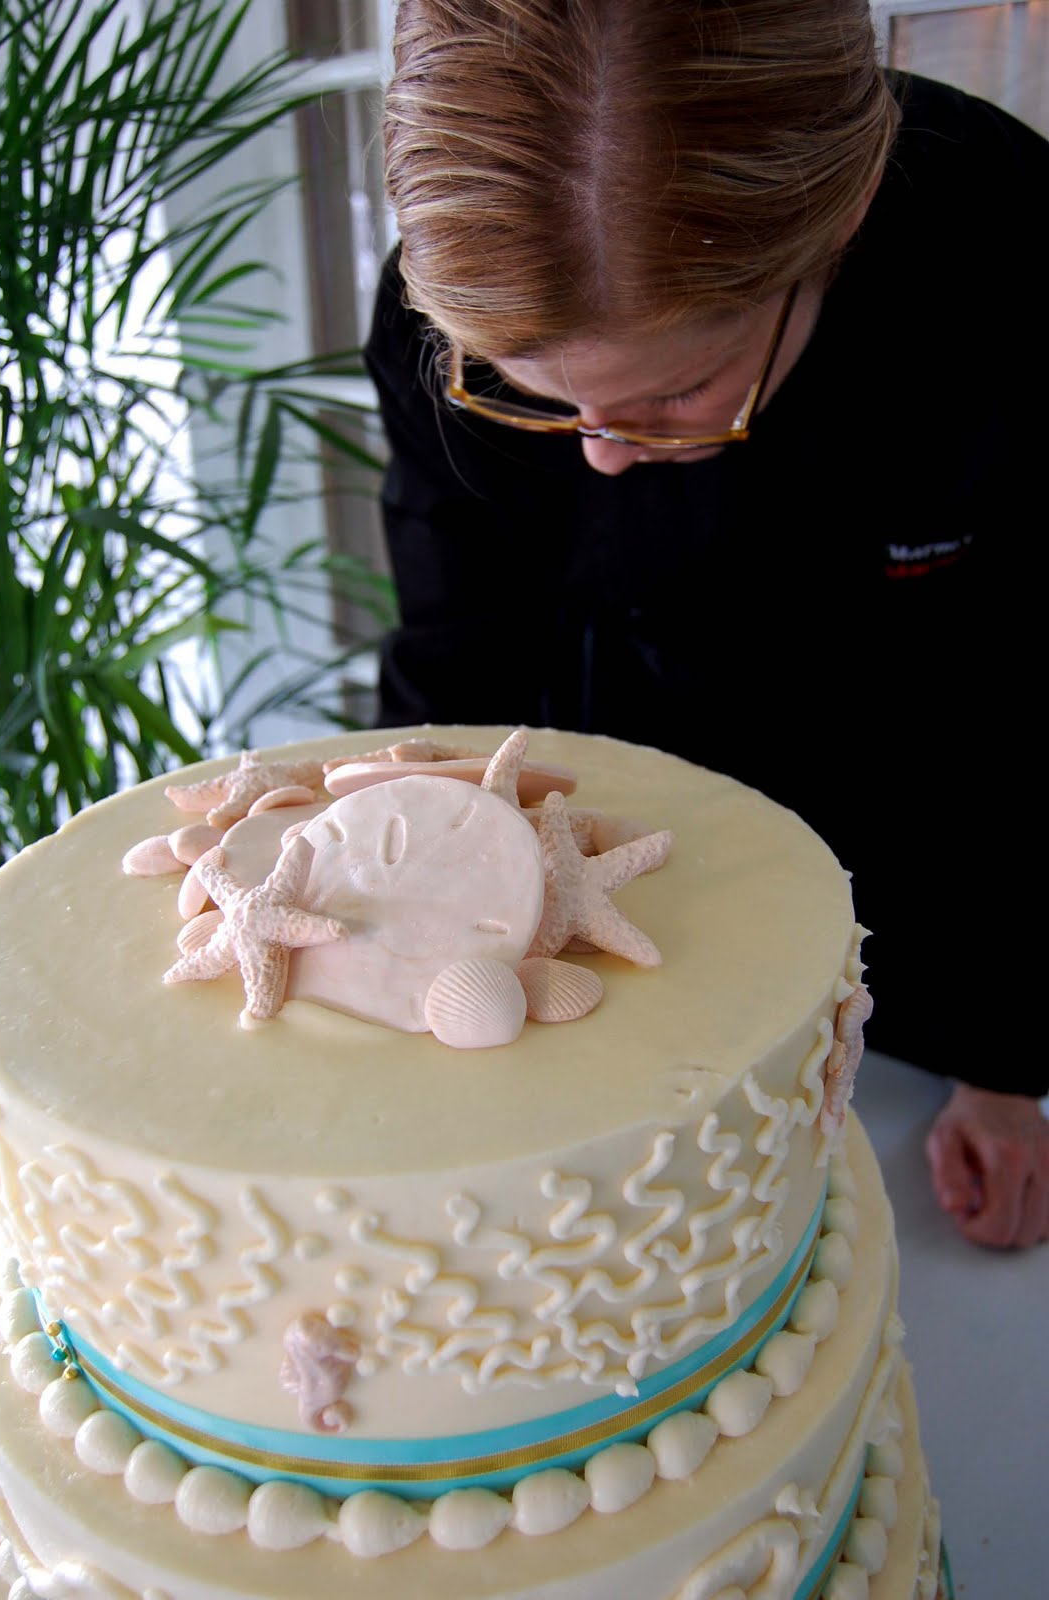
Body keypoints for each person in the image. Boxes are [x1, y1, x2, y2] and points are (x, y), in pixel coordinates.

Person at [363, 0, 1048, 1248]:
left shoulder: (1013, 257)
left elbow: (1030, 704)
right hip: (628, 840)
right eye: (539, 397)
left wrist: (1005, 1061)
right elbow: (455, 653)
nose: (606, 457)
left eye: (677, 390)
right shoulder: (457, 299)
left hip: (942, 854)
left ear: (835, 227)